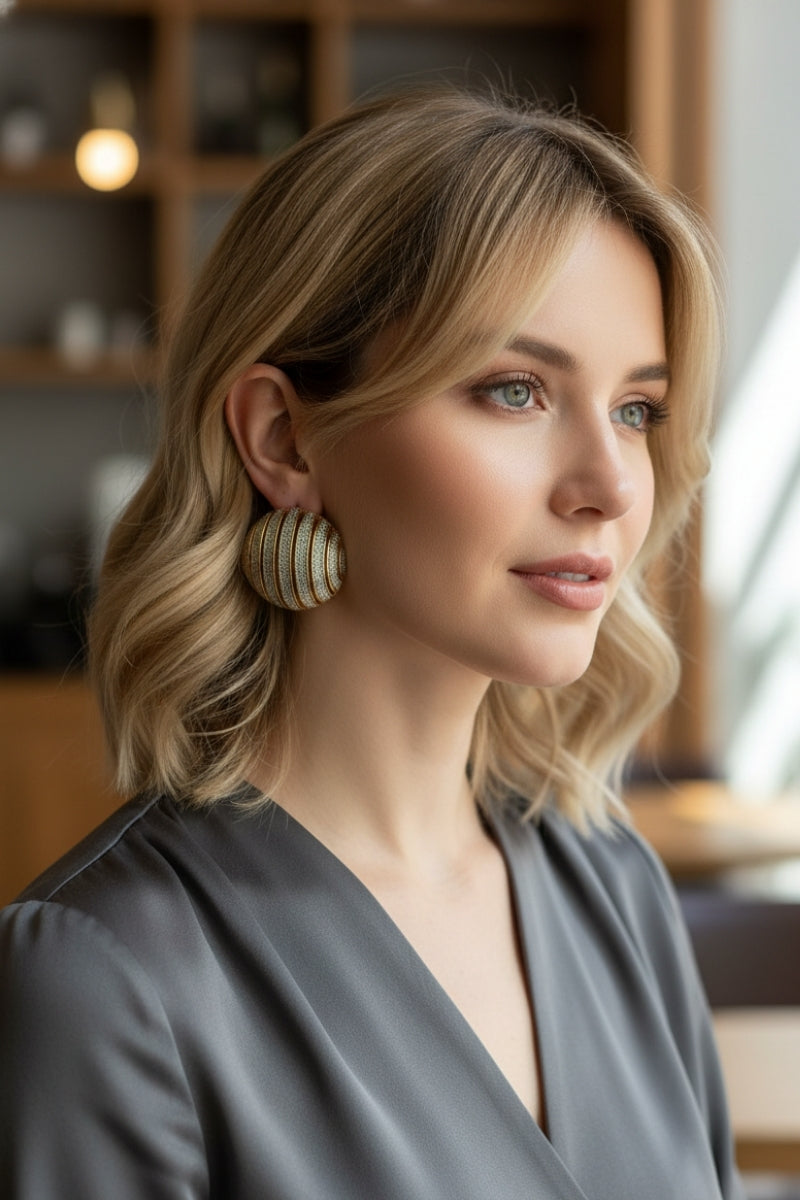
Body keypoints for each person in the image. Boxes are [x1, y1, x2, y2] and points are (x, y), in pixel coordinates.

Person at [0, 88, 743, 1199]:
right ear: (283, 438)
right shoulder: (103, 980)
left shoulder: (611, 884)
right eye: (515, 391)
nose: (609, 485)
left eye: (636, 409)